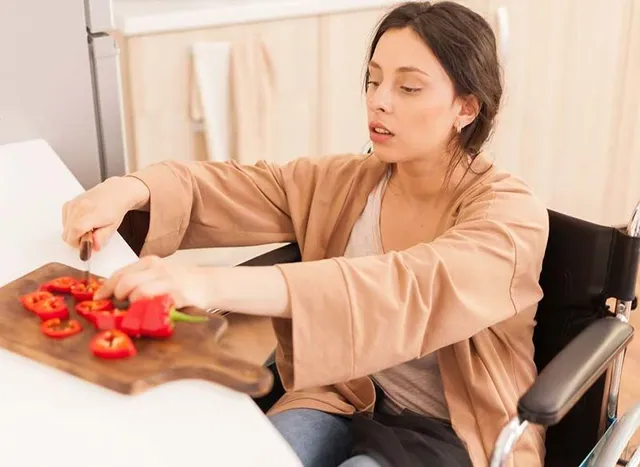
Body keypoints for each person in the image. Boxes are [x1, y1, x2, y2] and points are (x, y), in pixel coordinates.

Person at [61, 1, 549, 466]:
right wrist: (130, 188)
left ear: (465, 107)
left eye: (409, 88)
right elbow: (237, 186)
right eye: (373, 81)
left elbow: (401, 288)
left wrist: (207, 283)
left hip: (450, 432)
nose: (378, 101)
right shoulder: (347, 182)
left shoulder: (510, 217)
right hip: (343, 391)